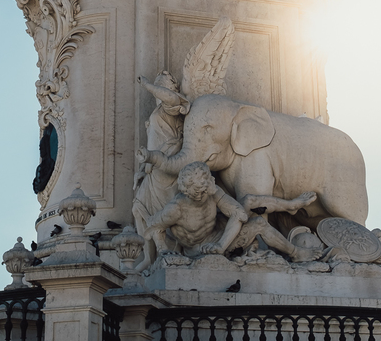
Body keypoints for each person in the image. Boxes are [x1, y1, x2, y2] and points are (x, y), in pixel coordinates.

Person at [143, 161, 323, 263]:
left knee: (249, 201)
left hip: (221, 238)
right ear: (194, 192)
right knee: (259, 224)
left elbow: (241, 214)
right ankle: (295, 253)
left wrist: (221, 244)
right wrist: (163, 250)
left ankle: (291, 205)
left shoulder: (211, 191)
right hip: (200, 249)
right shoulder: (176, 209)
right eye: (204, 191)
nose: (210, 191)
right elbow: (153, 226)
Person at [131, 72, 190, 270]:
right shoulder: (159, 110)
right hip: (152, 168)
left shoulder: (171, 107)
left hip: (166, 164)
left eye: (162, 86)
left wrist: (147, 84)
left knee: (161, 211)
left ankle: (166, 249)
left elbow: (170, 98)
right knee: (139, 208)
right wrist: (142, 167)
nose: (159, 90)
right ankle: (150, 255)